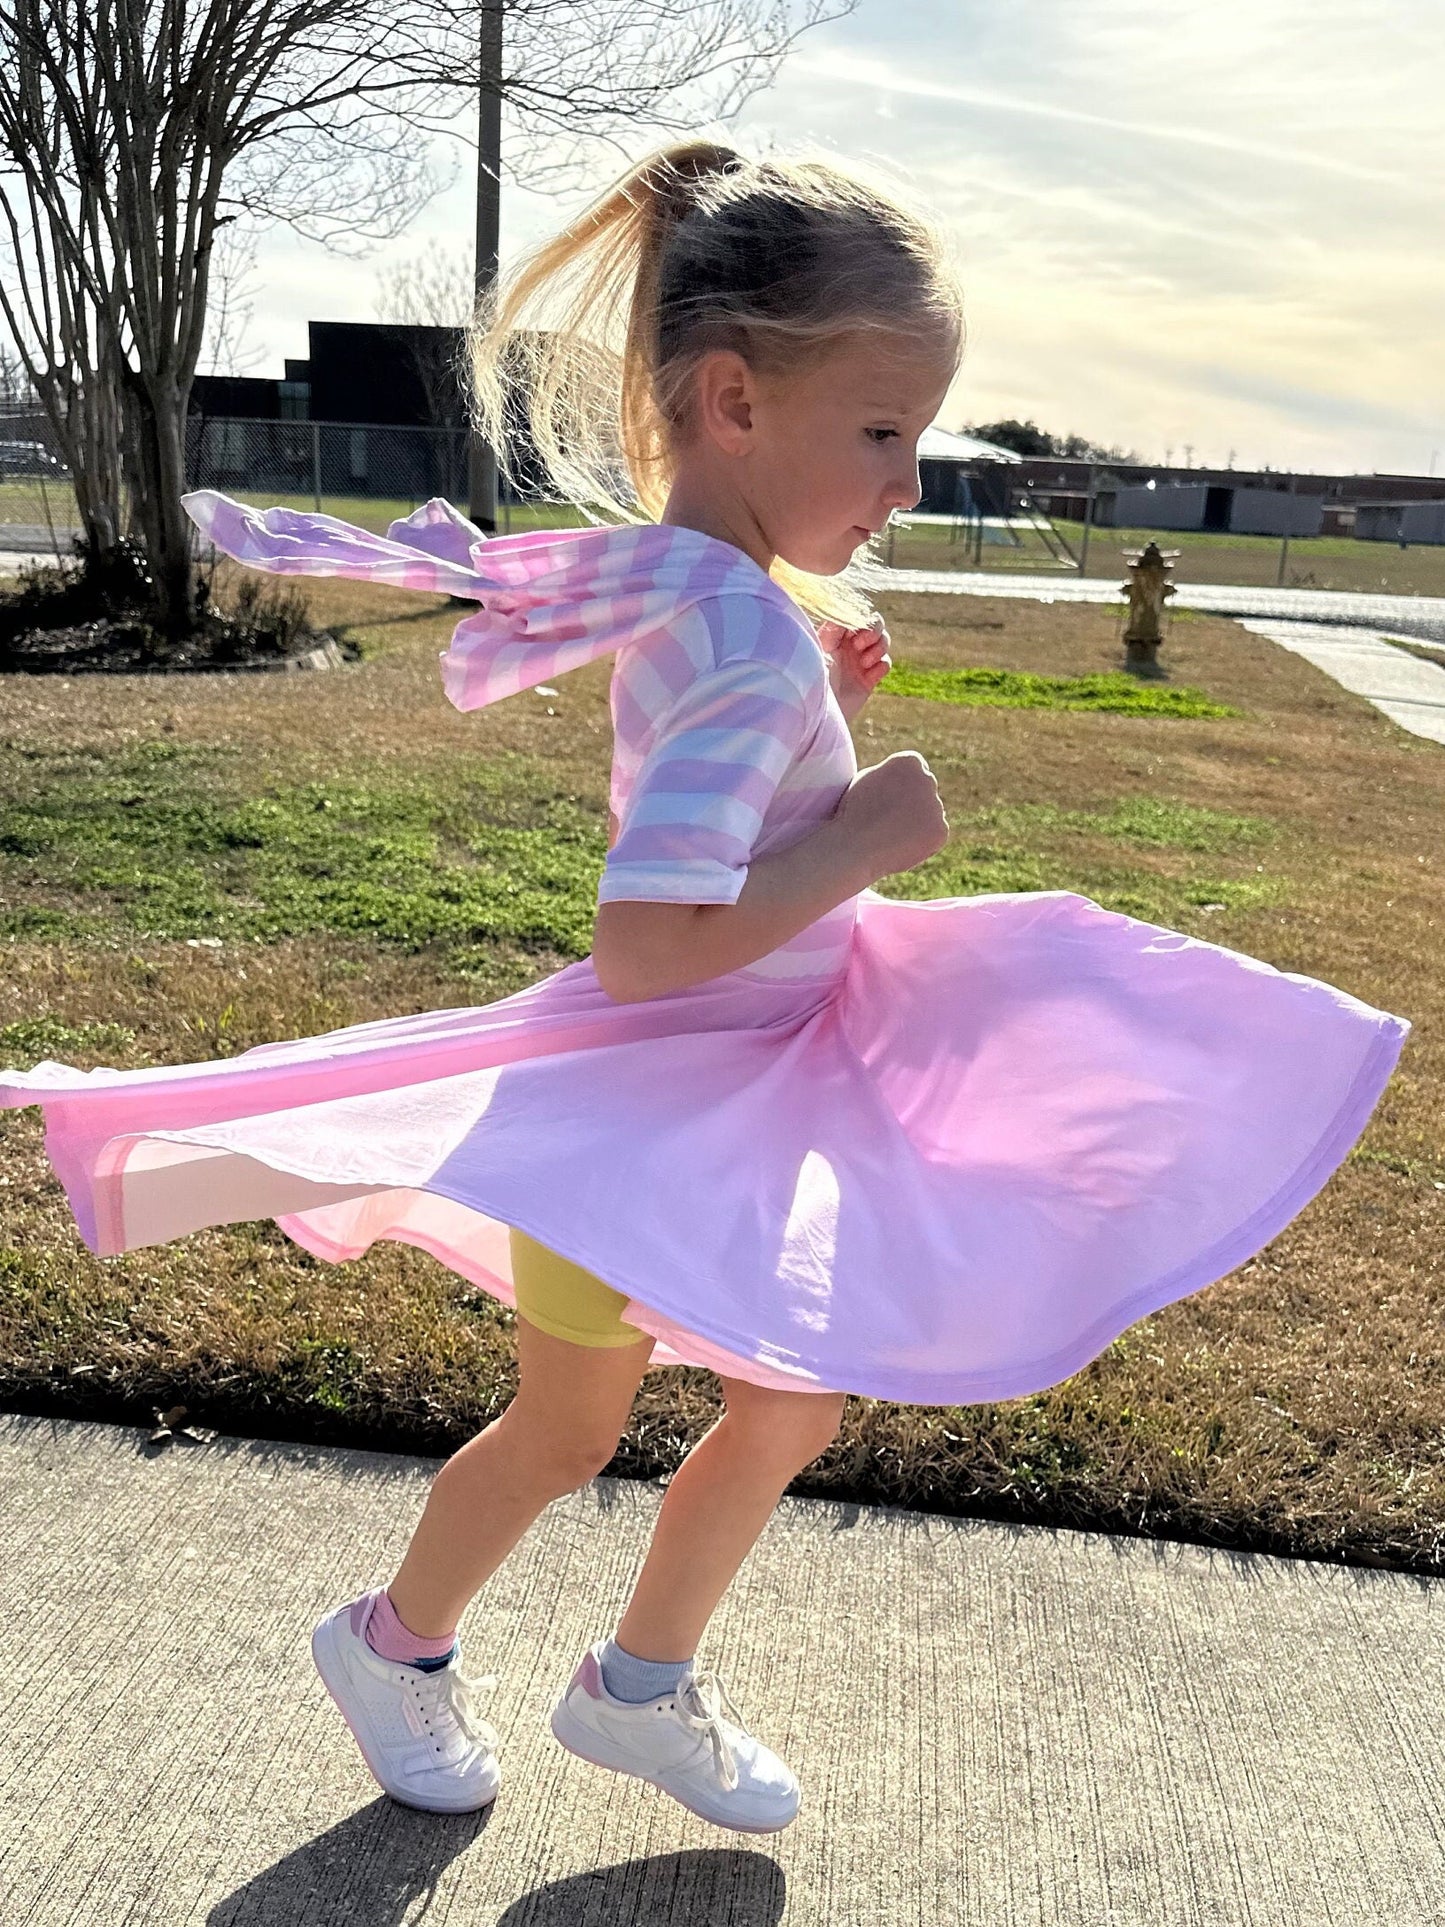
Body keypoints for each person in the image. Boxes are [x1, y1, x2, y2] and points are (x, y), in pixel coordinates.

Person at [0, 142, 1409, 1836]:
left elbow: (707, 711)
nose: (904, 482)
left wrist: (807, 678)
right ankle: (404, 1649)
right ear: (732, 399)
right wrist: (864, 830)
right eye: (883, 433)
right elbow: (646, 942)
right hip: (657, 1106)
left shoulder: (715, 593)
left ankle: (630, 1688)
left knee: (776, 1396)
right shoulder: (735, 636)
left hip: (726, 1093)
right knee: (577, 1428)